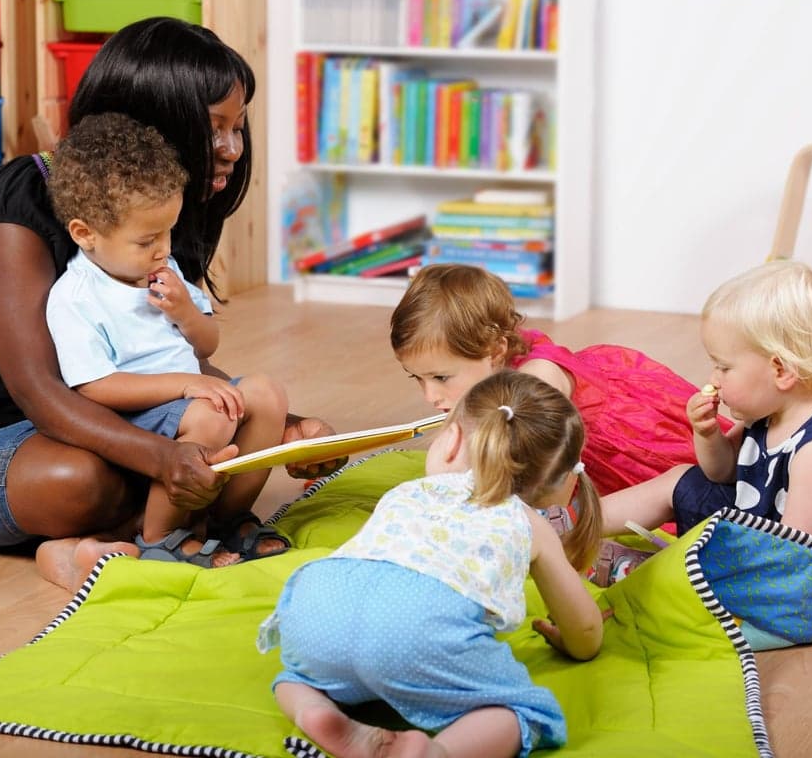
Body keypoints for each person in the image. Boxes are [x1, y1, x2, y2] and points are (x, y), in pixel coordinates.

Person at [0, 18, 338, 582]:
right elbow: (39, 388)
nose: (233, 149)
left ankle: (105, 544)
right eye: (215, 128)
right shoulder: (25, 196)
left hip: (53, 429)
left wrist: (283, 431)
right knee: (88, 477)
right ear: (156, 124)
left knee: (199, 436)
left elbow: (159, 357)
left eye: (238, 127)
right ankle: (128, 536)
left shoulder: (157, 215)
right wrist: (163, 457)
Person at [258, 370, 605, 758]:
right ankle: (437, 752)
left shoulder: (405, 492)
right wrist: (571, 640)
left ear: (451, 441)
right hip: (418, 628)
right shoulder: (528, 522)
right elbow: (586, 634)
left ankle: (313, 710)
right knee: (525, 713)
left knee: (294, 678)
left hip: (318, 607)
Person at [45, 112, 290, 568]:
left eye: (168, 232)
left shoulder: (165, 270)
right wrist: (186, 384)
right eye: (147, 240)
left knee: (266, 394)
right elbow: (93, 387)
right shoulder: (76, 297)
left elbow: (206, 345)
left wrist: (185, 313)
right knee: (213, 417)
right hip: (138, 417)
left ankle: (229, 518)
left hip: (188, 402)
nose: (164, 248)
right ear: (85, 234)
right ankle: (161, 538)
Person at [389, 263, 729, 576]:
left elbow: (541, 459)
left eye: (441, 378)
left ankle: (607, 553)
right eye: (417, 378)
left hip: (610, 441)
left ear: (495, 351)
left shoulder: (537, 383)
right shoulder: (488, 363)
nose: (429, 395)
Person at [601, 260, 812, 564]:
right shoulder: (772, 412)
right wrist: (707, 433)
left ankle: (653, 566)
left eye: (723, 367)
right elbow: (722, 472)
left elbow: (792, 556)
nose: (714, 379)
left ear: (781, 370)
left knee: (710, 549)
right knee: (681, 480)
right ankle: (578, 524)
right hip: (764, 536)